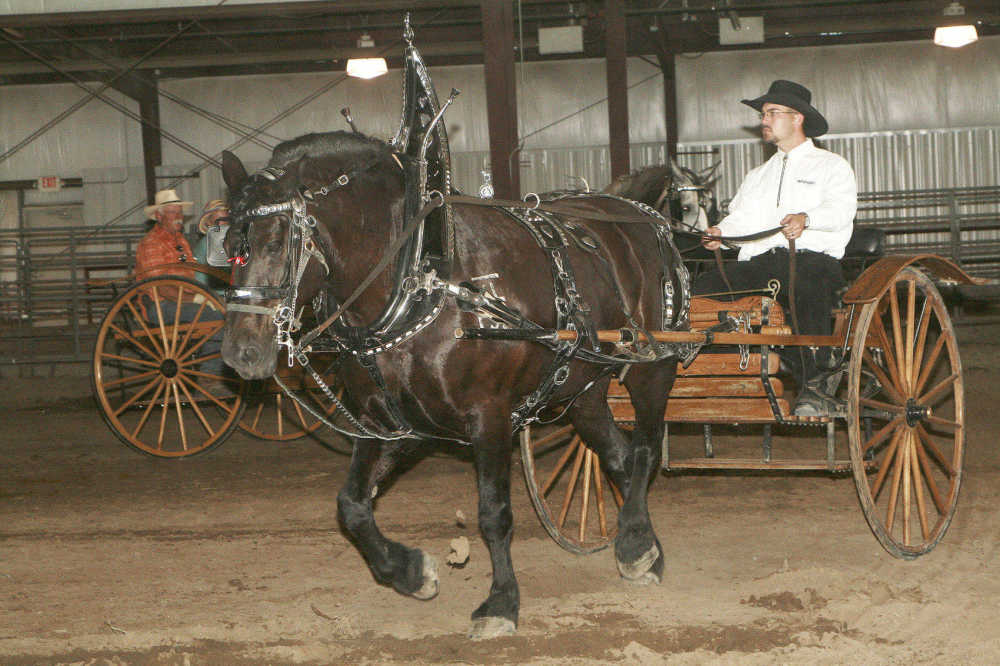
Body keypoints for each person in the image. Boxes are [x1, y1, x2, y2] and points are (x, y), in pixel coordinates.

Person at [695, 80, 858, 416]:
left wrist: (807, 218)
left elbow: (842, 210)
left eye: (771, 113)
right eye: (763, 114)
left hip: (811, 260)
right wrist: (720, 232)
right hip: (761, 265)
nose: (763, 120)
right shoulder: (757, 175)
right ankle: (724, 374)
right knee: (700, 291)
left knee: (807, 285)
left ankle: (817, 382)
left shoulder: (831, 166)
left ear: (797, 118)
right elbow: (742, 219)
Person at [134, 189, 226, 381]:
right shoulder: (151, 243)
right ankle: (210, 374)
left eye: (180, 213)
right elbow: (161, 287)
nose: (178, 218)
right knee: (216, 317)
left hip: (182, 302)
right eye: (172, 213)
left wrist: (204, 296)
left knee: (223, 311)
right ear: (159, 216)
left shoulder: (181, 241)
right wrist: (198, 298)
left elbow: (192, 276)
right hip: (160, 306)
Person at [192, 199, 232, 294]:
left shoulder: (234, 241)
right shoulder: (205, 245)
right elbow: (200, 278)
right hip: (213, 296)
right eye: (217, 222)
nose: (222, 225)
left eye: (225, 221)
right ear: (208, 223)